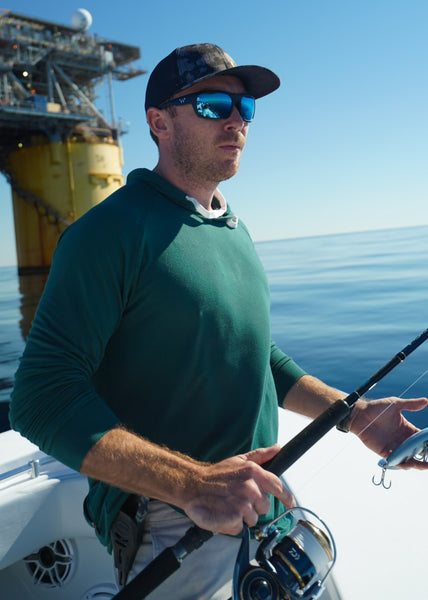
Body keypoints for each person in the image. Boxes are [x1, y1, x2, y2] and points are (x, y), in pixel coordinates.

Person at [9, 43, 428, 599]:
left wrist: (351, 414)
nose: (237, 121)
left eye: (245, 108)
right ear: (159, 122)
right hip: (177, 520)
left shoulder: (233, 227)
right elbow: (40, 397)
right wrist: (193, 483)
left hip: (264, 500)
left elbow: (260, 358)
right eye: (213, 105)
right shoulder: (109, 233)